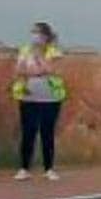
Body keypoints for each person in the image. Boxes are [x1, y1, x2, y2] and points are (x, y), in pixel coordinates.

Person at [11, 22, 67, 181]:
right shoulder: (25, 50)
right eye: (33, 33)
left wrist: (39, 58)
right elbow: (19, 70)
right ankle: (24, 168)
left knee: (47, 132)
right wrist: (35, 72)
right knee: (28, 132)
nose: (35, 36)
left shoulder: (54, 51)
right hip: (28, 97)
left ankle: (49, 168)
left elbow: (51, 70)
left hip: (50, 98)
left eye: (38, 33)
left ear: (46, 36)